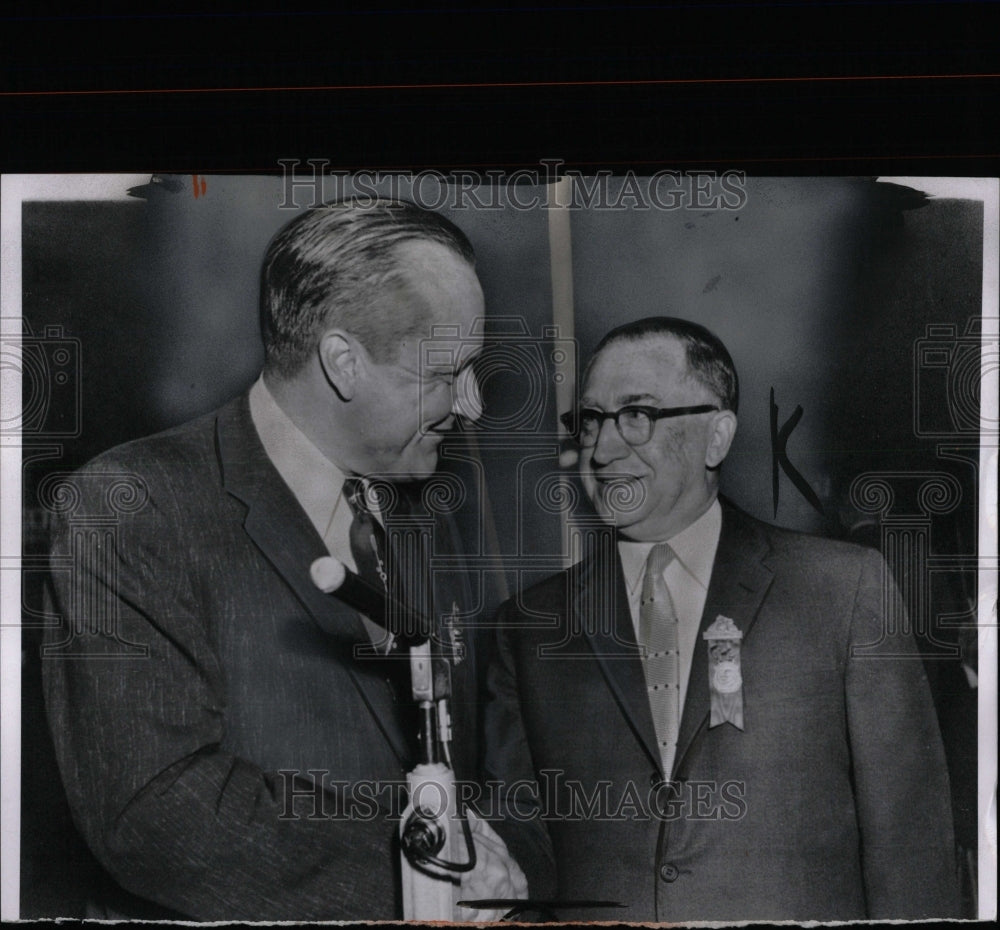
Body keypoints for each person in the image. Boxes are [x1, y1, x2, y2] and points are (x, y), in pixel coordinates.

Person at [41, 198, 525, 921]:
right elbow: (152, 811)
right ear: (342, 362)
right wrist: (419, 870)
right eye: (444, 373)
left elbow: (493, 753)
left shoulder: (438, 509)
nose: (473, 405)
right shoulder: (133, 505)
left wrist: (510, 867)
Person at [482, 316, 960, 922]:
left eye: (638, 416)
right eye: (591, 420)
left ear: (717, 436)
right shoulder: (528, 627)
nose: (602, 449)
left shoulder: (842, 590)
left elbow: (910, 849)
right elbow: (516, 850)